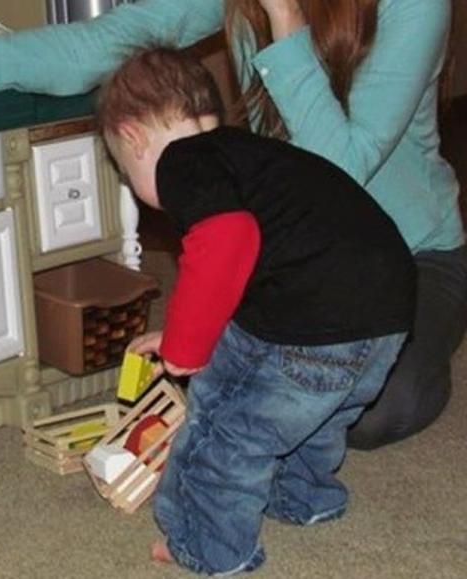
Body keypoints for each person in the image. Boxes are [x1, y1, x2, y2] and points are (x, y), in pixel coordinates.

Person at [0, 0, 467, 450]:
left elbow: (339, 174)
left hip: (408, 257)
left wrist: (285, 21)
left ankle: (424, 346)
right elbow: (99, 44)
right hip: (288, 260)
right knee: (268, 389)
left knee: (371, 408)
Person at [96, 45, 414, 575]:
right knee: (318, 410)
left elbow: (226, 240)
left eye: (128, 174)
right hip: (386, 307)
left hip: (317, 312)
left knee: (228, 425)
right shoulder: (251, 156)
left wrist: (185, 348)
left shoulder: (183, 161)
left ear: (134, 137)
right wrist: (180, 330)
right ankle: (304, 496)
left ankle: (208, 544)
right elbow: (235, 278)